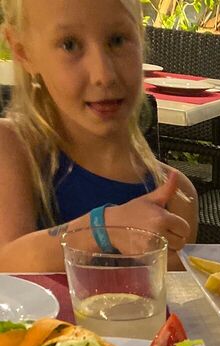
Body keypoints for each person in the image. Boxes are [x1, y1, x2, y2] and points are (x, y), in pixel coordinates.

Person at [0, 0, 198, 272]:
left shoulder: (177, 197)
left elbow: (164, 295)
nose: (103, 75)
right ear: (23, 52)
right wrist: (103, 228)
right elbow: (6, 261)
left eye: (117, 40)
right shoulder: (12, 148)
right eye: (70, 44)